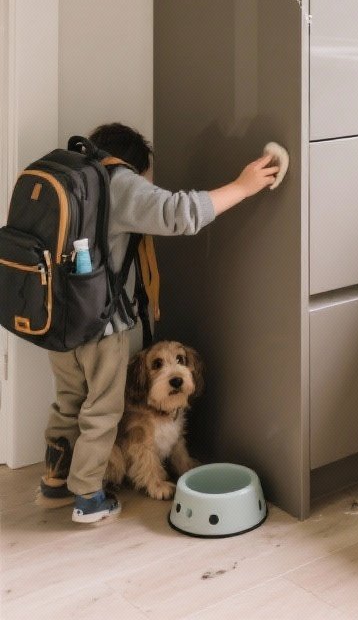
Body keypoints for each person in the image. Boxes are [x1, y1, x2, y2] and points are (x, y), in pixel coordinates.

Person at [39, 122, 281, 526]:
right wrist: (243, 185)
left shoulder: (67, 178)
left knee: (69, 404)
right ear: (134, 166)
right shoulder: (117, 180)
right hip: (99, 326)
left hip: (57, 323)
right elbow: (178, 212)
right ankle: (88, 497)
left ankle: (55, 481)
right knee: (103, 411)